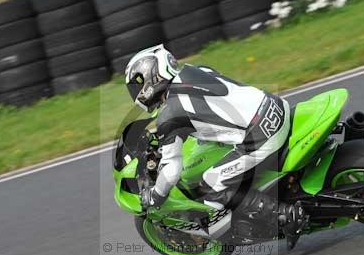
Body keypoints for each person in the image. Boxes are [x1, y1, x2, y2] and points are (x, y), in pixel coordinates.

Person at [125, 45, 306, 237]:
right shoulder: (197, 70)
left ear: (151, 79)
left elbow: (171, 170)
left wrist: (155, 197)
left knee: (210, 184)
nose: (137, 94)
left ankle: (284, 215)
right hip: (275, 106)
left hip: (262, 135)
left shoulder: (169, 114)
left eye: (137, 86)